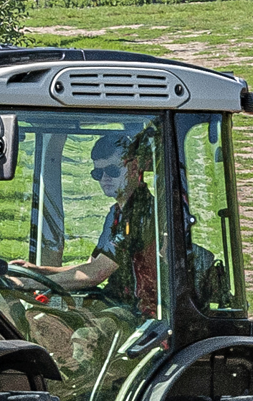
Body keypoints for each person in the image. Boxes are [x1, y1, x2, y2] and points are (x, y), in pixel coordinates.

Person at [12, 128, 160, 318]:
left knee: (80, 335)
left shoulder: (141, 212)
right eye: (98, 173)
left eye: (112, 170)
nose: (105, 178)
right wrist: (38, 271)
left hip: (139, 311)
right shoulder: (116, 214)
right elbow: (92, 265)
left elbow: (96, 273)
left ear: (134, 168)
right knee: (40, 319)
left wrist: (29, 284)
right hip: (115, 302)